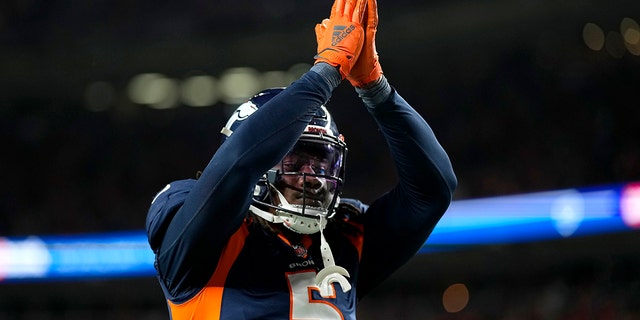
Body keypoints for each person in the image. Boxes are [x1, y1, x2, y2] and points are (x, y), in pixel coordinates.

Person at [145, 0, 457, 318]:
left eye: (320, 159)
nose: (313, 175)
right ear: (264, 156)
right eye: (294, 159)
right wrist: (325, 73)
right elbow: (239, 162)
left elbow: (433, 191)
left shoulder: (344, 237)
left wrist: (375, 88)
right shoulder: (199, 232)